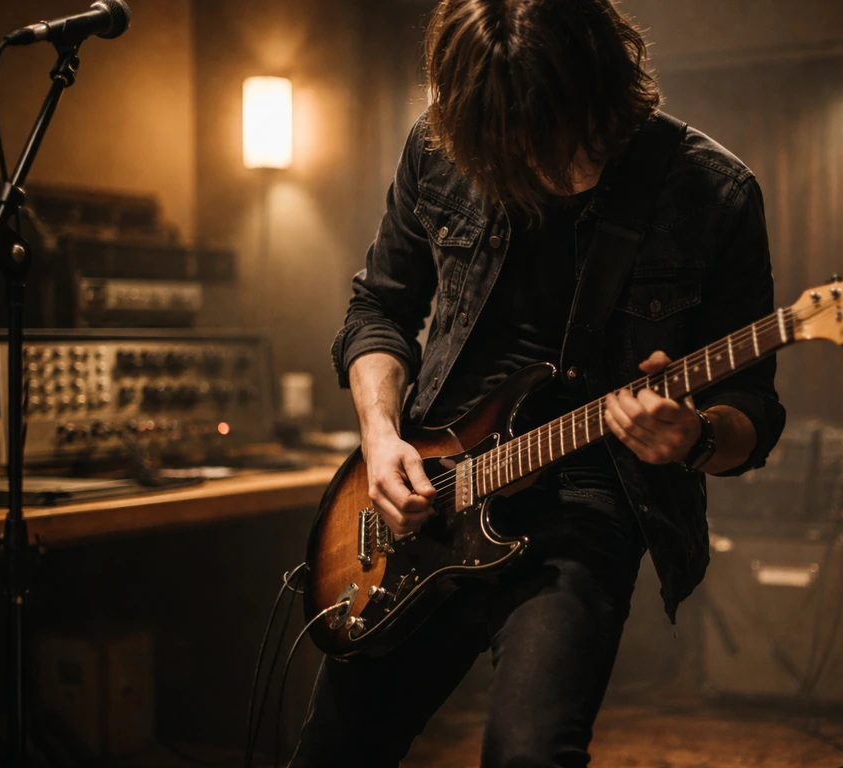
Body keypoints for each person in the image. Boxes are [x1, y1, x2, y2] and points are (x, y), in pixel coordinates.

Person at [295, 0, 785, 765]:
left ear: (603, 87)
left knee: (529, 754)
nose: (528, 159)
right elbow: (379, 309)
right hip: (429, 492)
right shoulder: (438, 146)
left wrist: (695, 438)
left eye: (549, 132)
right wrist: (383, 438)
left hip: (587, 504)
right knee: (336, 751)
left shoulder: (710, 192)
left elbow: (754, 411)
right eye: (503, 140)